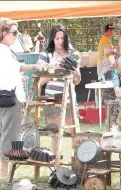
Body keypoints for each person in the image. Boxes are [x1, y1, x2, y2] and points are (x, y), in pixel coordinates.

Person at [0, 18, 45, 177]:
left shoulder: (0, 50)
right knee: (9, 135)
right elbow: (18, 67)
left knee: (1, 134)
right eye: (13, 32)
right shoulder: (3, 51)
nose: (16, 35)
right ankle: (4, 173)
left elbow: (11, 71)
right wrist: (36, 66)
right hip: (11, 97)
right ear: (3, 33)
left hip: (3, 96)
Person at [37, 23, 81, 154]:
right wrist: (54, 69)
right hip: (52, 99)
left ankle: (76, 162)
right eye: (57, 39)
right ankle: (56, 164)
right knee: (55, 133)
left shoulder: (74, 54)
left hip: (69, 97)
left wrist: (76, 74)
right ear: (52, 39)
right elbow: (41, 80)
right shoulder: (45, 55)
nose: (60, 42)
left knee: (75, 133)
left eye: (62, 38)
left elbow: (78, 81)